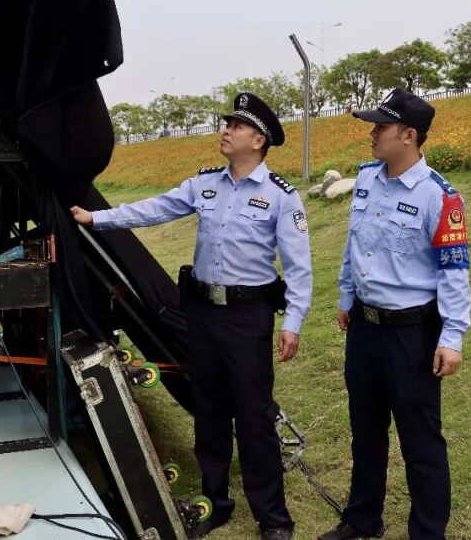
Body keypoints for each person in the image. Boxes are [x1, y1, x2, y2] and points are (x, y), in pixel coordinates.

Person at [71, 92, 311, 540]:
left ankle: (273, 518)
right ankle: (217, 503)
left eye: (237, 126)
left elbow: (300, 269)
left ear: (258, 140)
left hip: (248, 319)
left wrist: (293, 322)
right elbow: (153, 209)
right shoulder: (205, 183)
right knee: (209, 411)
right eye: (228, 123)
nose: (226, 130)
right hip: (202, 315)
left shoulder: (280, 196)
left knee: (254, 417)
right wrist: (96, 218)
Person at [319, 88, 471, 540]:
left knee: (420, 441)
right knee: (365, 431)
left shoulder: (439, 196)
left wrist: (452, 336)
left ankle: (427, 532)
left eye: (380, 127)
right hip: (365, 328)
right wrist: (347, 295)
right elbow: (355, 243)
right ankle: (362, 518)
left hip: (412, 334)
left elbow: (454, 271)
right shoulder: (368, 178)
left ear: (409, 135)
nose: (372, 134)